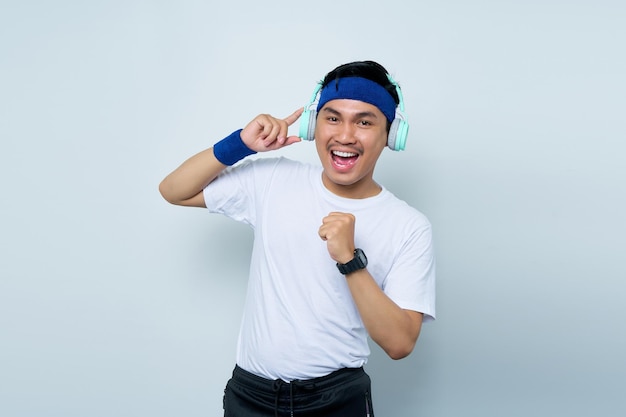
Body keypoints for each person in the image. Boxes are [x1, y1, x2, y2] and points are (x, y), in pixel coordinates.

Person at [159, 60, 436, 417]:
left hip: (336, 400)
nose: (345, 135)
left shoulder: (409, 225)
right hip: (250, 397)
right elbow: (173, 191)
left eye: (365, 121)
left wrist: (350, 260)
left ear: (390, 135)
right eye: (332, 118)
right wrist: (240, 144)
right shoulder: (273, 179)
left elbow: (400, 343)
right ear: (312, 125)